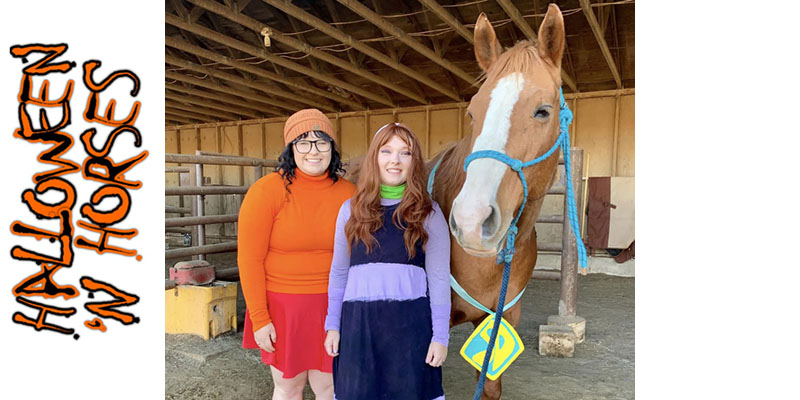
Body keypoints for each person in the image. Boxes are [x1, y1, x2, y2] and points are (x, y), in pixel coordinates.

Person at [324, 122, 451, 400]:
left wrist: (440, 337)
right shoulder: (350, 211)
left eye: (405, 153)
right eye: (387, 151)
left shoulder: (429, 214)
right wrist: (333, 325)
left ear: (414, 161)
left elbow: (440, 280)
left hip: (410, 331)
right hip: (359, 329)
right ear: (375, 158)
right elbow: (339, 272)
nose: (395, 160)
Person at [238, 109, 355, 400]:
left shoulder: (351, 194)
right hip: (283, 309)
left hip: (334, 307)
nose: (313, 150)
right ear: (291, 148)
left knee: (329, 387)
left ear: (332, 147)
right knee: (289, 387)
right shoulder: (266, 191)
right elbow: (250, 260)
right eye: (303, 142)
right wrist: (260, 317)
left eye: (321, 141)